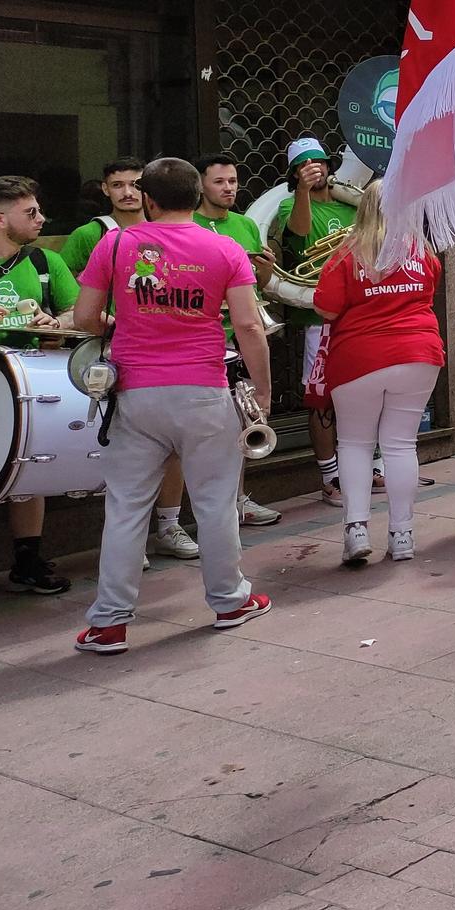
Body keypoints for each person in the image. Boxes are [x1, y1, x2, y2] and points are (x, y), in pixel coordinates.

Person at [70, 157, 273, 653]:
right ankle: (229, 601)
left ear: (149, 199)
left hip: (135, 393)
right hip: (204, 391)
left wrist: (126, 325)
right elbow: (249, 327)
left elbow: (84, 317)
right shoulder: (225, 247)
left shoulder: (114, 244)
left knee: (125, 509)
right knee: (214, 501)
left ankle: (110, 624)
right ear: (196, 195)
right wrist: (263, 392)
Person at [312, 180, 444, 566]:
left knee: (354, 444)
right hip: (418, 353)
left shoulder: (345, 255)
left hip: (358, 357)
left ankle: (356, 531)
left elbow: (326, 309)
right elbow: (428, 291)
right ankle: (402, 536)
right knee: (401, 444)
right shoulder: (423, 251)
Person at [0, 176, 76, 596]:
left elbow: (78, 312)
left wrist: (56, 323)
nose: (41, 218)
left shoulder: (44, 262)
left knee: (29, 464)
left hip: (26, 377)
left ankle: (28, 559)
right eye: (31, 213)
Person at [196, 154, 284, 528]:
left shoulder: (246, 224)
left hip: (243, 335)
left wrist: (265, 272)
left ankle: (239, 500)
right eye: (219, 182)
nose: (228, 188)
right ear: (200, 185)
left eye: (232, 181)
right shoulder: (190, 225)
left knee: (246, 423)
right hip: (206, 339)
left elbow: (254, 284)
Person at [270, 138, 355, 505]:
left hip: (358, 310)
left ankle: (373, 464)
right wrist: (303, 190)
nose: (315, 168)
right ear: (294, 173)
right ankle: (330, 476)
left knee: (362, 392)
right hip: (316, 315)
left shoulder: (350, 204)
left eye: (319, 161)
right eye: (305, 165)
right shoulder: (290, 204)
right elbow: (301, 232)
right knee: (321, 398)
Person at [60, 157, 144, 273]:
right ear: (105, 189)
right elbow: (59, 279)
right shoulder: (88, 234)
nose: (127, 193)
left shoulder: (164, 229)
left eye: (136, 185)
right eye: (117, 185)